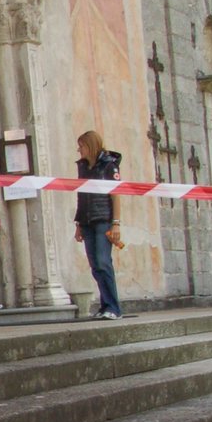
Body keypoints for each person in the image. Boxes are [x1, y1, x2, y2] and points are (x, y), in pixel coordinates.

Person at [74, 129, 124, 319]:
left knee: (104, 262)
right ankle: (105, 306)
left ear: (90, 145)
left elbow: (116, 194)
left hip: (103, 220)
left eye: (81, 146)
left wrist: (116, 223)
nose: (79, 150)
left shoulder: (109, 165)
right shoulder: (83, 167)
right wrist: (78, 223)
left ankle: (113, 307)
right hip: (87, 221)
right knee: (95, 265)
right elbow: (81, 195)